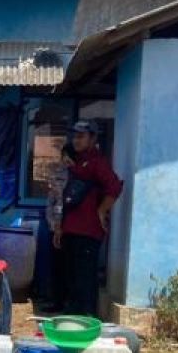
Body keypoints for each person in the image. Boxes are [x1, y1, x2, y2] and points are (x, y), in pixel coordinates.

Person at [60, 120, 123, 318]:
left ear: (93, 139)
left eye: (81, 136)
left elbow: (115, 187)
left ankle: (87, 319)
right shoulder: (74, 160)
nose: (76, 140)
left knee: (85, 279)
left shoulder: (97, 162)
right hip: (70, 228)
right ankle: (71, 318)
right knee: (70, 277)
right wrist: (60, 227)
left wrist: (102, 210)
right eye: (75, 136)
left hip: (88, 231)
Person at [43, 143, 77, 312]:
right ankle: (57, 301)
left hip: (71, 228)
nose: (65, 160)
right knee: (56, 267)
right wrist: (52, 224)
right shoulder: (58, 175)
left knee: (70, 268)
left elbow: (67, 203)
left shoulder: (79, 176)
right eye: (63, 156)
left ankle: (69, 303)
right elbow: (51, 202)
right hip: (55, 226)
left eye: (68, 157)